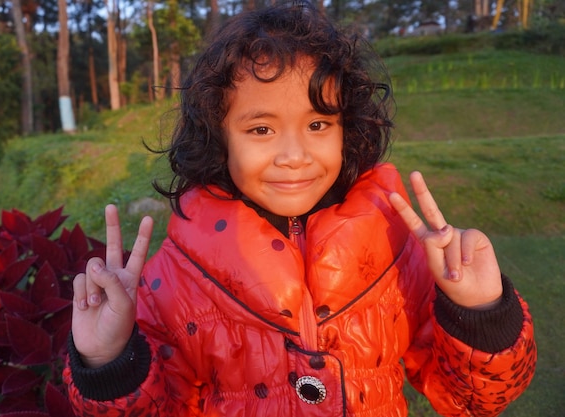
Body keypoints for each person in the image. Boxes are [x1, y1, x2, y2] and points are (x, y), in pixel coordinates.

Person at [63, 2, 536, 416]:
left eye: (317, 123)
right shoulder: (175, 277)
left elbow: (473, 400)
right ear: (218, 137)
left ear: (346, 128)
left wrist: (480, 313)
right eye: (261, 130)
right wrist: (108, 361)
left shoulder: (397, 251)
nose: (294, 155)